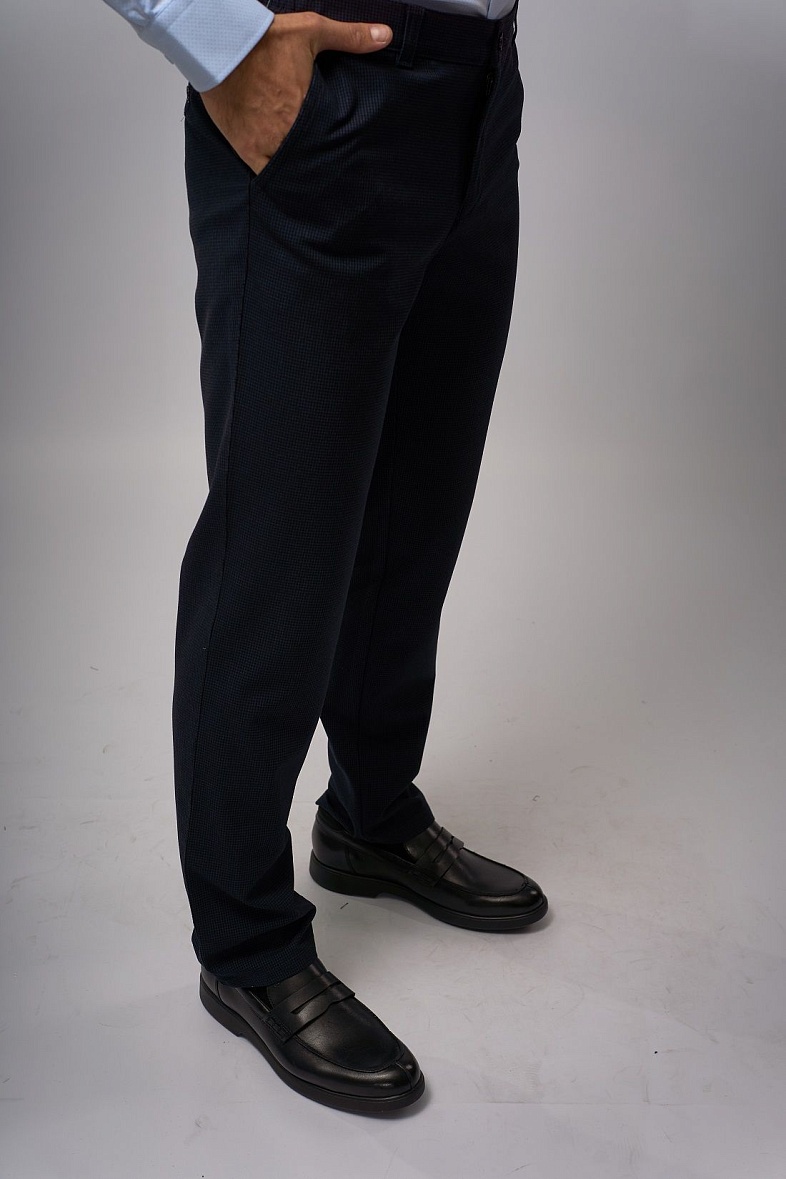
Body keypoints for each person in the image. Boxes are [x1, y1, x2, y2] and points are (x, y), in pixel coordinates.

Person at [103, 0, 545, 1114]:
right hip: (328, 87)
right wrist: (215, 38)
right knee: (279, 542)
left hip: (476, 87)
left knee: (417, 503)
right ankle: (246, 942)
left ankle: (371, 817)